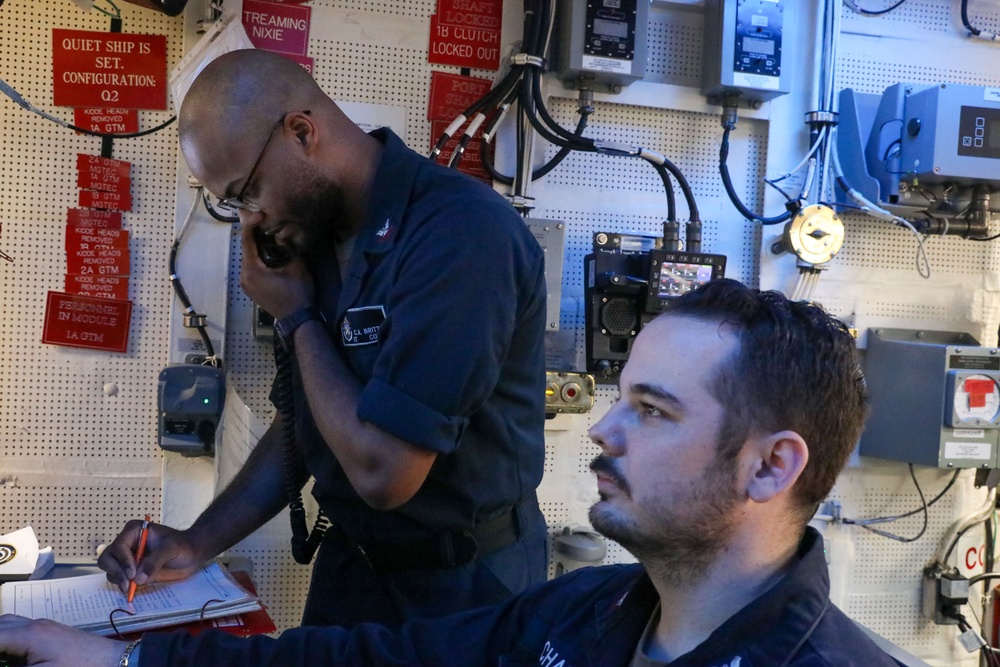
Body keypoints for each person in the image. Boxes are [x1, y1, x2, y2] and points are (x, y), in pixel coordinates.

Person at [0, 279, 902, 666]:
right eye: (620, 396)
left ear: (771, 465)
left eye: (654, 411)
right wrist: (122, 656)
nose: (604, 429)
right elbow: (369, 660)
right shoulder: (583, 614)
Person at [97, 48, 550, 629]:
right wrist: (196, 541)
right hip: (353, 573)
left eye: (247, 191)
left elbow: (384, 475)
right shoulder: (318, 235)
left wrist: (297, 317)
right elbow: (305, 423)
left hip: (465, 589)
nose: (250, 220)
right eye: (231, 204)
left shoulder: (461, 236)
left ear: (302, 132)